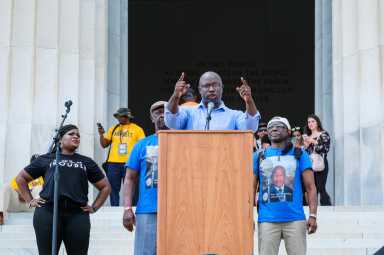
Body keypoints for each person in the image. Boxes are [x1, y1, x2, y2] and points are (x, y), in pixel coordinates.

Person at [16, 124, 111, 255]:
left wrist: (94, 207)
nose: (76, 137)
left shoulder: (86, 161)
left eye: (78, 135)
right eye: (71, 134)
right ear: (60, 139)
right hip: (48, 213)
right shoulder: (46, 158)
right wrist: (30, 200)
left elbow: (105, 187)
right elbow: (21, 178)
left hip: (77, 214)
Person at [253, 116, 318, 255]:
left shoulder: (300, 154)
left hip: (295, 219)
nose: (274, 128)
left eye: (279, 126)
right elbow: (250, 189)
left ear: (288, 131)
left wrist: (313, 215)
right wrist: (247, 218)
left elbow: (310, 186)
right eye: (271, 127)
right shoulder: (259, 156)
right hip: (267, 220)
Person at [122, 101, 168, 255]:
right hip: (148, 209)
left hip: (179, 209)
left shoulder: (185, 142)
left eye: (165, 111)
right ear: (151, 118)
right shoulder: (142, 145)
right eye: (157, 112)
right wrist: (128, 208)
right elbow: (129, 178)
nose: (161, 114)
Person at [164, 71, 260, 131]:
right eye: (206, 86)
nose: (211, 89)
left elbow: (250, 128)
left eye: (215, 85)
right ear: (200, 89)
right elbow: (171, 122)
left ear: (222, 88)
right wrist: (176, 96)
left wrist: (249, 101)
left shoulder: (234, 116)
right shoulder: (188, 112)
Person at [98, 108, 145, 206]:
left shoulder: (137, 129)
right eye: (117, 116)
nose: (118, 118)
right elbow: (104, 144)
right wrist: (101, 134)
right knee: (113, 187)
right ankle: (114, 207)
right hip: (113, 163)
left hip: (130, 163)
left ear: (126, 117)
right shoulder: (114, 128)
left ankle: (129, 207)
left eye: (120, 116)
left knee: (130, 186)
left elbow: (142, 146)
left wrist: (139, 162)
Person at [0, 154, 43, 225]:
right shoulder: (24, 174)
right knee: (6, 187)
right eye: (35, 164)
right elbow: (13, 185)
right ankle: (1, 215)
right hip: (18, 203)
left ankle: (42, 217)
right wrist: (23, 193)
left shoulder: (44, 176)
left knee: (40, 187)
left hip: (33, 205)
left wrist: (27, 197)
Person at [303, 114, 332, 206]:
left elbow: (325, 149)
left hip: (320, 163)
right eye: (309, 122)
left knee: (320, 186)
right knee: (311, 187)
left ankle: (327, 206)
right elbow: (306, 153)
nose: (310, 124)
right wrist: (306, 146)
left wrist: (313, 142)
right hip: (310, 164)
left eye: (313, 121)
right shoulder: (308, 136)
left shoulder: (323, 134)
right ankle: (312, 207)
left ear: (317, 123)